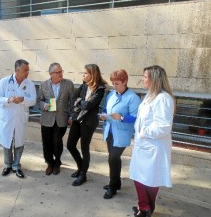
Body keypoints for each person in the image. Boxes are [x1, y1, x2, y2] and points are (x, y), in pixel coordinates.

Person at [129, 65, 175, 217]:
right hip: (144, 144)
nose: (143, 80)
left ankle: (145, 208)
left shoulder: (163, 99)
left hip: (153, 145)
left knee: (149, 178)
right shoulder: (150, 95)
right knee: (141, 176)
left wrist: (143, 132)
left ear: (154, 79)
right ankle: (146, 208)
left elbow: (163, 126)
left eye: (145, 77)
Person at [99, 69, 141, 199]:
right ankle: (116, 183)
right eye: (113, 83)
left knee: (113, 158)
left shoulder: (133, 98)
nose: (114, 86)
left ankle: (112, 187)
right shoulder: (111, 94)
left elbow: (136, 118)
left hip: (122, 133)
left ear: (125, 82)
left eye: (117, 83)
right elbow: (106, 109)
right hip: (110, 131)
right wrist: (104, 115)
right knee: (113, 159)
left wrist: (122, 117)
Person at [0, 59, 36, 179]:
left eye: (28, 70)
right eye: (25, 70)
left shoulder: (29, 84)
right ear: (17, 70)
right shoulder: (5, 81)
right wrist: (8, 100)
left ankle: (16, 166)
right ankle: (7, 165)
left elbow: (33, 100)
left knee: (19, 143)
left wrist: (23, 100)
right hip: (7, 118)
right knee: (7, 143)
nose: (28, 72)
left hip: (20, 118)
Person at [67, 64, 107, 186]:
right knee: (70, 145)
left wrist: (80, 102)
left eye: (85, 73)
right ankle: (80, 167)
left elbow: (89, 105)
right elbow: (74, 98)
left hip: (89, 122)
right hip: (78, 119)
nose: (83, 75)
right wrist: (80, 102)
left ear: (92, 74)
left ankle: (83, 174)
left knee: (84, 148)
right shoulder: (84, 85)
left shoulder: (100, 89)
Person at [37, 63, 74, 175]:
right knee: (47, 142)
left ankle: (57, 163)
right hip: (47, 119)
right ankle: (49, 163)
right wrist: (44, 105)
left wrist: (72, 116)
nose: (61, 74)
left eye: (61, 71)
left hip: (62, 118)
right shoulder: (43, 85)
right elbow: (39, 101)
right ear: (51, 74)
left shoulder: (68, 84)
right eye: (58, 72)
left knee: (57, 142)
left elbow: (72, 102)